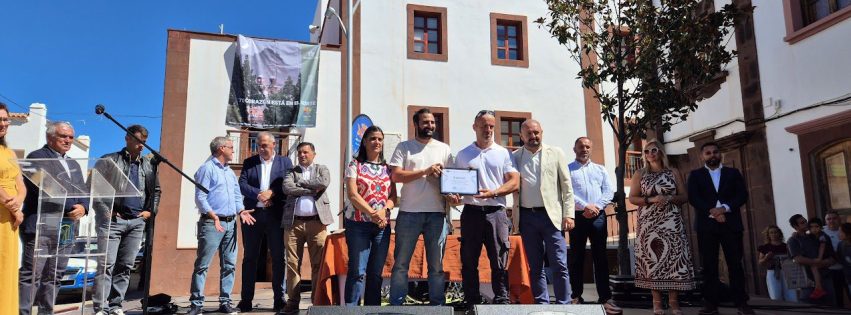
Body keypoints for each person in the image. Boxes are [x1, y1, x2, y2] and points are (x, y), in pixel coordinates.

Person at [450, 110, 519, 307]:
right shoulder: (463, 155)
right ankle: (471, 300)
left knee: (499, 260)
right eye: (483, 126)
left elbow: (514, 182)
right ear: (475, 127)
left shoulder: (504, 153)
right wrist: (454, 195)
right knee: (469, 260)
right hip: (471, 212)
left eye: (491, 126)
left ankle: (502, 300)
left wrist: (493, 192)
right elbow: (455, 185)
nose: (488, 130)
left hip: (496, 212)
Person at [20, 121, 89, 315]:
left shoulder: (73, 163)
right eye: (63, 136)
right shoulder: (36, 158)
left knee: (55, 274)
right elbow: (43, 187)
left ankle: (46, 312)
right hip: (43, 222)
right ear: (50, 137)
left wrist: (83, 207)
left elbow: (82, 189)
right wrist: (71, 207)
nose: (68, 140)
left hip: (67, 225)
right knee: (32, 273)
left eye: (70, 137)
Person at [92, 124, 161, 315]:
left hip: (137, 222)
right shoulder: (109, 160)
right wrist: (105, 210)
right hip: (113, 221)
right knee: (106, 264)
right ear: (128, 138)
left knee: (125, 266)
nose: (142, 146)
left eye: (145, 143)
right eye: (139, 141)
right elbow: (95, 187)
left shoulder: (148, 165)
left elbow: (156, 191)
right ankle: (101, 307)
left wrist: (150, 212)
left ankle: (115, 305)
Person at [388, 108, 452, 306]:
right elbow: (396, 176)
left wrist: (455, 192)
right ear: (416, 124)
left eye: (433, 122)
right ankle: (396, 306)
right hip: (409, 213)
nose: (430, 126)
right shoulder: (404, 147)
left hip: (437, 214)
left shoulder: (444, 149)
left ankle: (438, 306)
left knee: (436, 266)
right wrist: (425, 171)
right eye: (425, 122)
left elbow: (452, 180)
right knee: (400, 265)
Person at [511, 120, 575, 305]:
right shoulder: (515, 157)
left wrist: (568, 214)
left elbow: (567, 187)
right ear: (521, 136)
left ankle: (564, 304)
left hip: (551, 217)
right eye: (529, 134)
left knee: (559, 263)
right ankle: (541, 305)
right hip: (527, 217)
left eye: (536, 132)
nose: (533, 136)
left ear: (542, 133)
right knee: (535, 266)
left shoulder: (555, 153)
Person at [188, 136, 253, 315]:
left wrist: (241, 211)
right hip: (211, 223)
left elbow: (237, 195)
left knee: (229, 265)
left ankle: (225, 302)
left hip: (231, 223)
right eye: (231, 147)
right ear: (221, 148)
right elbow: (200, 197)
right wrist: (213, 215)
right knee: (202, 264)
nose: (234, 150)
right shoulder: (206, 169)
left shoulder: (229, 172)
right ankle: (196, 304)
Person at [687, 141, 753, 315]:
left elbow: (742, 195)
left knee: (735, 265)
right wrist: (714, 212)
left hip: (730, 225)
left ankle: (741, 303)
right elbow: (694, 198)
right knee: (709, 266)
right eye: (708, 153)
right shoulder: (695, 175)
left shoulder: (733, 173)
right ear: (702, 156)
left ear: (720, 154)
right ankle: (710, 303)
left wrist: (724, 208)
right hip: (706, 226)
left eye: (715, 152)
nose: (712, 155)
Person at [629, 140, 694, 315]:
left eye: (654, 150)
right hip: (649, 223)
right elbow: (633, 198)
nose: (650, 153)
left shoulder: (673, 172)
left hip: (671, 221)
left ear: (660, 152)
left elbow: (684, 196)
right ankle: (656, 302)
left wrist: (670, 199)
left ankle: (674, 302)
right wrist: (651, 200)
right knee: (652, 260)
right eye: (646, 151)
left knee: (673, 259)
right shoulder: (640, 174)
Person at [237, 132, 292, 313]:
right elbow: (242, 184)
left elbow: (287, 182)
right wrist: (259, 194)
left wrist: (272, 193)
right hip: (253, 215)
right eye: (259, 145)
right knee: (250, 258)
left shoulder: (285, 162)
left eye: (265, 145)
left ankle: (279, 299)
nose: (261, 148)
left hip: (275, 216)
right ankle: (246, 300)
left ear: (274, 144)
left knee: (278, 258)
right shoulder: (249, 162)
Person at [343, 126, 397, 306]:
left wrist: (384, 211)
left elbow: (393, 197)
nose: (377, 142)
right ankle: (351, 310)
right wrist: (372, 213)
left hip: (382, 226)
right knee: (357, 271)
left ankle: (372, 310)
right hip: (358, 225)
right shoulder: (354, 165)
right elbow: (352, 194)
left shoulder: (388, 168)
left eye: (380, 139)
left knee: (375, 273)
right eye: (373, 139)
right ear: (364, 142)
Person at [567, 136, 622, 314]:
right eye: (581, 147)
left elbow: (608, 191)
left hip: (598, 216)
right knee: (576, 257)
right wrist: (585, 206)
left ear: (591, 149)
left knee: (601, 257)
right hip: (577, 216)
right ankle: (576, 296)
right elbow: (567, 193)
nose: (584, 149)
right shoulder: (568, 170)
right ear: (574, 149)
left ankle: (605, 297)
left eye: (587, 147)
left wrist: (596, 206)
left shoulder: (600, 169)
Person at [281, 142, 334, 314]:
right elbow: (287, 187)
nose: (302, 155)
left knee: (318, 264)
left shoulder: (322, 169)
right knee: (292, 264)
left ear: (313, 154)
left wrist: (302, 183)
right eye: (300, 152)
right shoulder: (291, 171)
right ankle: (293, 302)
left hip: (317, 222)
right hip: (293, 223)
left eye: (306, 152)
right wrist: (311, 190)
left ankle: (317, 302)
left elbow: (323, 183)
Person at [0, 102, 26, 315]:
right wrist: (14, 207)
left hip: (10, 219)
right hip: (4, 212)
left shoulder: (9, 152)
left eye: (5, 119)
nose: (3, 123)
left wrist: (19, 201)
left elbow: (21, 184)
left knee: (7, 268)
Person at [787, 214, 836, 304]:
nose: (806, 224)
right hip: (807, 281)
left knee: (831, 306)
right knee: (809, 307)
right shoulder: (793, 240)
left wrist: (824, 262)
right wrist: (815, 262)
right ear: (795, 226)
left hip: (825, 276)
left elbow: (831, 256)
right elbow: (798, 259)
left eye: (806, 221)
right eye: (802, 223)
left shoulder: (815, 236)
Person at [757, 225, 796, 302]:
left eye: (775, 232)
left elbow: (793, 258)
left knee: (791, 296)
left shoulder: (786, 246)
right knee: (776, 296)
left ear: (779, 233)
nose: (773, 234)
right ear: (768, 235)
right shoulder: (765, 247)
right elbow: (760, 262)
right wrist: (766, 257)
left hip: (787, 271)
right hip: (773, 272)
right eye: (771, 233)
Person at [822, 211, 846, 306]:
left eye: (834, 218)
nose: (831, 221)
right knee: (836, 297)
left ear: (839, 219)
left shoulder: (846, 230)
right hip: (830, 270)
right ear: (825, 221)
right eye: (828, 219)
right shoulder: (821, 232)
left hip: (846, 269)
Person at [807, 217, 833, 300]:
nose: (814, 229)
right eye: (811, 227)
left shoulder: (823, 236)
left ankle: (818, 288)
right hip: (820, 260)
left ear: (821, 227)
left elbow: (822, 247)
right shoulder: (810, 236)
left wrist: (819, 259)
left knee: (814, 266)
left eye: (816, 227)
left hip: (828, 258)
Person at [836, 222, 851, 300]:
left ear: (848, 234)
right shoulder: (840, 244)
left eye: (841, 232)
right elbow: (839, 259)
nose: (838, 234)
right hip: (848, 280)